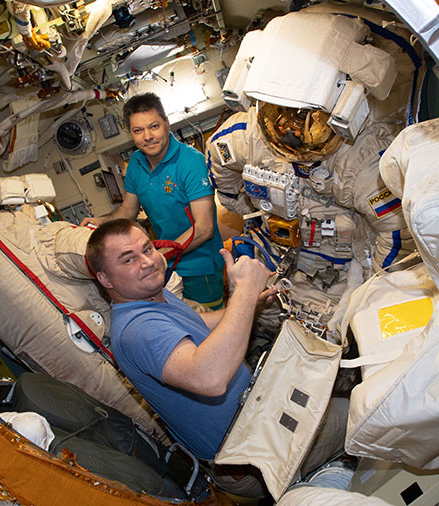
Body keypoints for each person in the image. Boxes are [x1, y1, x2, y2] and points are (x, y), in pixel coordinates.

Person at [85, 218, 348, 497]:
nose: (147, 262)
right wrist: (245, 292)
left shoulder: (152, 297)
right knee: (356, 410)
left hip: (256, 422)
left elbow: (195, 323)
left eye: (147, 249)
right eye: (128, 260)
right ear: (105, 279)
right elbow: (209, 379)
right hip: (250, 459)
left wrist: (246, 305)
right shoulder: (139, 329)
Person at [80, 92, 225, 308]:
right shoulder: (136, 163)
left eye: (154, 126)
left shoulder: (190, 161)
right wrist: (101, 221)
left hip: (200, 265)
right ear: (131, 134)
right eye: (138, 130)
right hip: (166, 265)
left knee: (210, 323)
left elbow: (204, 229)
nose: (147, 136)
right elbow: (128, 211)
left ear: (166, 124)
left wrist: (157, 255)